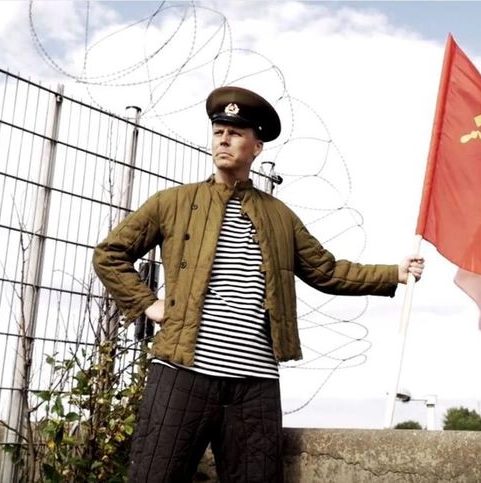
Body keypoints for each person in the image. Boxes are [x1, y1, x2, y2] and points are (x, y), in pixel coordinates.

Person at [92, 86, 425, 483]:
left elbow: (326, 270)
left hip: (255, 386)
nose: (223, 140)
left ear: (257, 146)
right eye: (218, 132)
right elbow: (110, 253)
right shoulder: (172, 202)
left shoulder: (279, 216)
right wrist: (148, 303)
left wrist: (393, 273)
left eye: (235, 133)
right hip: (182, 374)